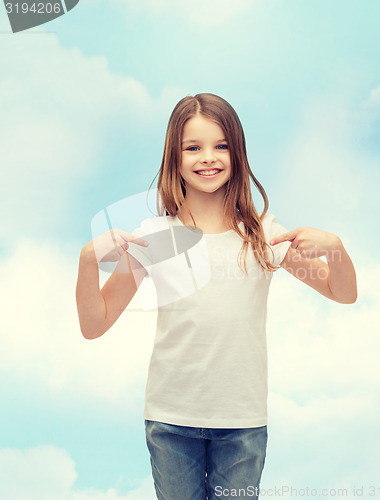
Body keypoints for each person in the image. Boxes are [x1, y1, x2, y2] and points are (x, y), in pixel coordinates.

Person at [76, 93, 357, 500]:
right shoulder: (154, 237)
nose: (208, 157)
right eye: (193, 147)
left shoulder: (263, 234)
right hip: (170, 420)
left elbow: (341, 292)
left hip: (241, 421)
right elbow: (94, 324)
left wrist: (337, 248)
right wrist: (87, 261)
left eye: (221, 145)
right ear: (175, 156)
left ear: (237, 151)